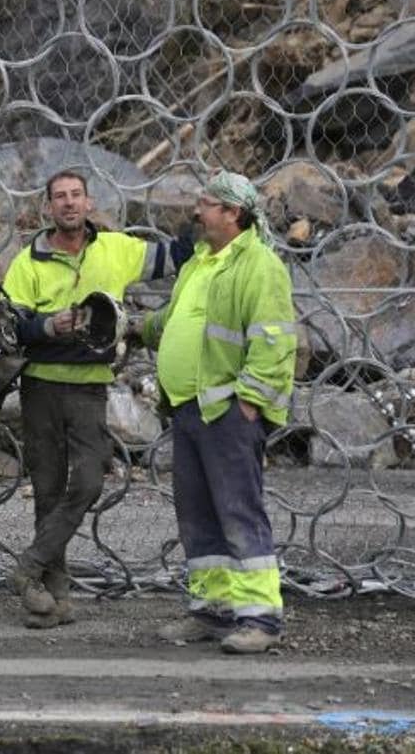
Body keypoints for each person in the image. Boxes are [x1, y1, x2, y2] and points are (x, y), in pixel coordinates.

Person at [0, 170, 192, 628]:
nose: (68, 204)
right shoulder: (28, 262)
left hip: (88, 387)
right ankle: (55, 597)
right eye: (59, 197)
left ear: (89, 203)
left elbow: (175, 256)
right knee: (47, 491)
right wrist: (50, 325)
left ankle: (28, 567)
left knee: (88, 481)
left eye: (76, 196)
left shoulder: (118, 249)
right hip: (41, 386)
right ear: (48, 207)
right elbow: (10, 327)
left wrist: (197, 215)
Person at [136, 170, 296, 654]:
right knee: (198, 514)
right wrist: (131, 327)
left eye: (206, 204)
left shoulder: (259, 266)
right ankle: (211, 610)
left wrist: (250, 400)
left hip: (226, 411)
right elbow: (173, 320)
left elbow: (273, 338)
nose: (197, 211)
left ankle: (261, 618)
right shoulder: (202, 261)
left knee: (238, 511)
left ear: (233, 213)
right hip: (190, 409)